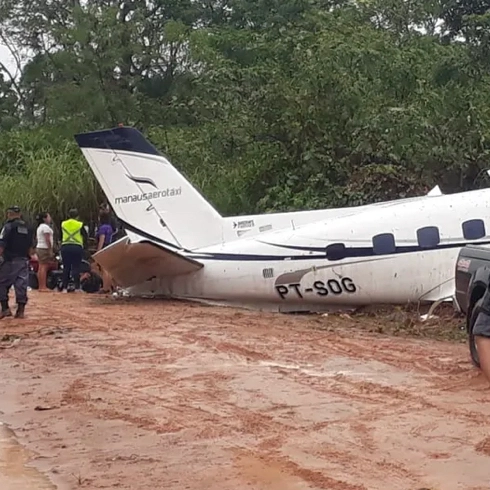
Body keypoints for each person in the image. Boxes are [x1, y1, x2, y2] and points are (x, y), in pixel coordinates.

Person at [0, 206, 34, 319]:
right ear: (19, 214)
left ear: (9, 214)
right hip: (23, 260)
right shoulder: (28, 227)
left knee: (1, 283)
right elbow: (30, 247)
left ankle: (5, 309)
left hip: (10, 261)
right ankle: (20, 311)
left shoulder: (8, 226)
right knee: (21, 285)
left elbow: (2, 244)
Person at [60, 208, 88, 293]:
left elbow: (60, 235)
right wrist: (85, 246)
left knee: (66, 267)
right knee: (76, 267)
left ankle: (64, 288)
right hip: (76, 247)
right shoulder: (80, 224)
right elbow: (85, 236)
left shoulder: (63, 224)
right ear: (77, 216)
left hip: (65, 246)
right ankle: (77, 287)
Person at [95, 214, 114, 293]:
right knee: (108, 268)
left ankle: (105, 287)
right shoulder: (110, 227)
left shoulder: (102, 228)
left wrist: (98, 250)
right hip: (110, 247)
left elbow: (102, 239)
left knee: (103, 268)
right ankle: (110, 286)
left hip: (104, 247)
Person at [35, 212, 54, 291]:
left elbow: (37, 238)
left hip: (39, 247)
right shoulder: (45, 227)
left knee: (41, 266)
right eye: (49, 217)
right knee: (44, 267)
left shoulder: (39, 227)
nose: (50, 218)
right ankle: (43, 286)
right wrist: (50, 250)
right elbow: (47, 239)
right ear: (44, 218)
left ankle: (41, 285)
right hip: (44, 248)